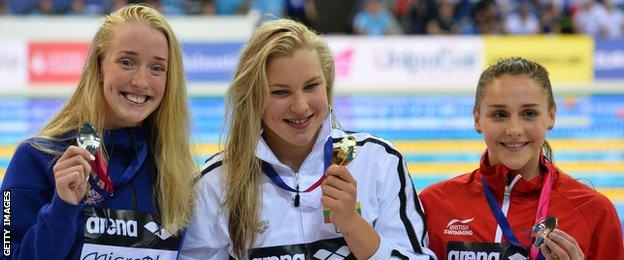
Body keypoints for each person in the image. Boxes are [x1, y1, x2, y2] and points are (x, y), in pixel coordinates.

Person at [179, 19, 436, 259]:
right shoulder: (217, 182)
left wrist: (352, 224)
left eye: (312, 86)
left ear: (328, 85)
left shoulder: (377, 161)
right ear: (253, 98)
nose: (300, 107)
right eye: (281, 92)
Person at [1, 4, 197, 259]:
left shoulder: (175, 173)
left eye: (157, 68)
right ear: (99, 67)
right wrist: (61, 209)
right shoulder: (37, 158)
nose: (141, 81)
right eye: (127, 62)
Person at [419, 57, 624, 260]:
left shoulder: (594, 212)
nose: (514, 130)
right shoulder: (434, 205)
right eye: (499, 114)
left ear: (551, 116)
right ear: (477, 119)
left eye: (529, 113)